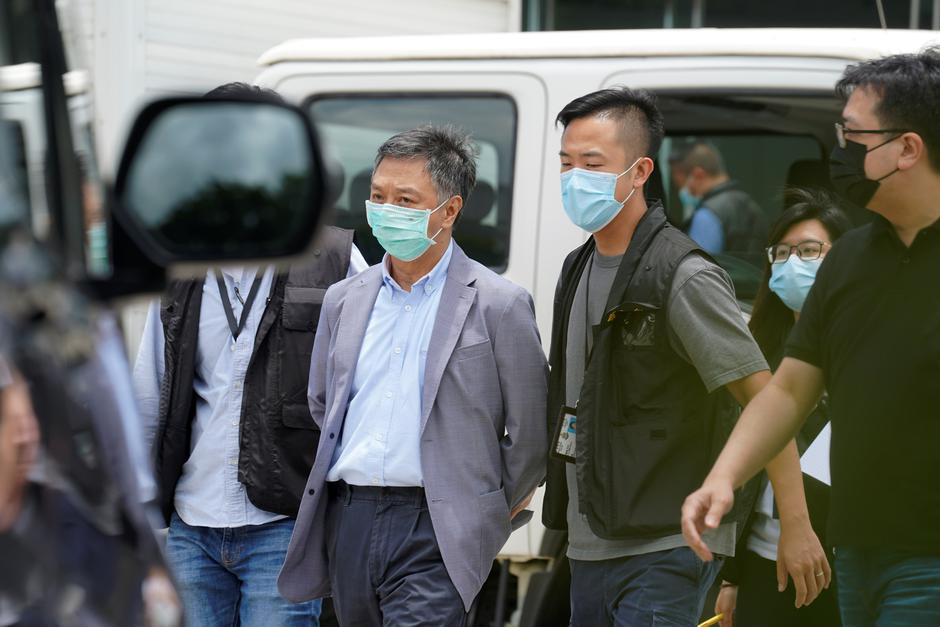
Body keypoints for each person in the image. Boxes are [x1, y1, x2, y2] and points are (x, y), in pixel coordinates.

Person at [541, 86, 828, 627]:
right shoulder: (576, 268)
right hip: (590, 539)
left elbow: (769, 403)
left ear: (641, 170)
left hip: (668, 542)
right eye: (566, 162)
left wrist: (796, 523)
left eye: (592, 163)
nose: (575, 177)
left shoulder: (682, 274)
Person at [682, 48, 940, 627]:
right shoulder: (851, 258)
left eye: (852, 135)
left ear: (908, 148)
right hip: (858, 550)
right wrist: (724, 478)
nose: (839, 150)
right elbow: (788, 391)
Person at [277, 125, 547, 626]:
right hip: (350, 516)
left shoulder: (499, 304)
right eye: (378, 196)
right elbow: (324, 403)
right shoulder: (345, 299)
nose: (386, 210)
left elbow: (530, 435)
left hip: (439, 523)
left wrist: (481, 513)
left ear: (449, 210)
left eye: (405, 199)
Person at [133, 82, 367, 627]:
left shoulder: (333, 256)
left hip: (284, 526)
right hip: (191, 525)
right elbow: (149, 393)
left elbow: (369, 388)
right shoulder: (178, 264)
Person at [714, 189, 852, 627]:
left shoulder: (866, 349)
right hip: (764, 564)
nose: (793, 263)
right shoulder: (756, 356)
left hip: (843, 564)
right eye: (783, 252)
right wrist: (730, 577)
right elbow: (741, 481)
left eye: (810, 250)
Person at [671, 141, 767, 260]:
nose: (682, 191)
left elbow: (697, 269)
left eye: (681, 185)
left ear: (698, 175)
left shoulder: (706, 215)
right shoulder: (752, 206)